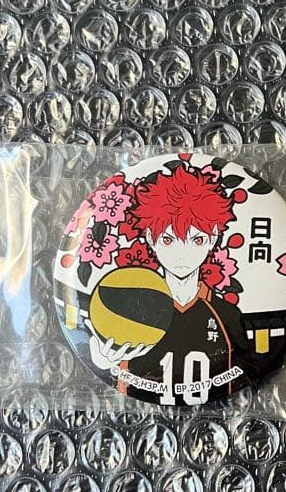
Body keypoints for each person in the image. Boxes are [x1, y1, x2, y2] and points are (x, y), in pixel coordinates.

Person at [85, 163, 255, 404]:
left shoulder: (227, 315)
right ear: (150, 238)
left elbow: (245, 372)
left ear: (214, 237)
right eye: (167, 240)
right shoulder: (129, 310)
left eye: (197, 240)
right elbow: (120, 380)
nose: (181, 254)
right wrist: (103, 363)